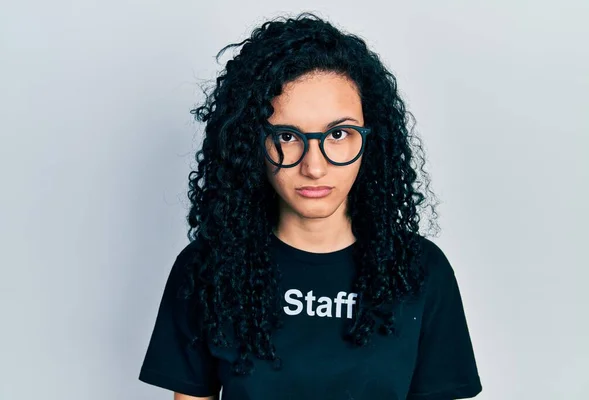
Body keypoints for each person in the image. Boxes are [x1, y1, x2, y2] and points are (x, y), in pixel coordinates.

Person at [138, 12, 482, 400]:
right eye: (287, 135)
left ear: (372, 138)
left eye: (338, 134)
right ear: (251, 143)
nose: (313, 166)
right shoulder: (207, 269)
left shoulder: (420, 270)